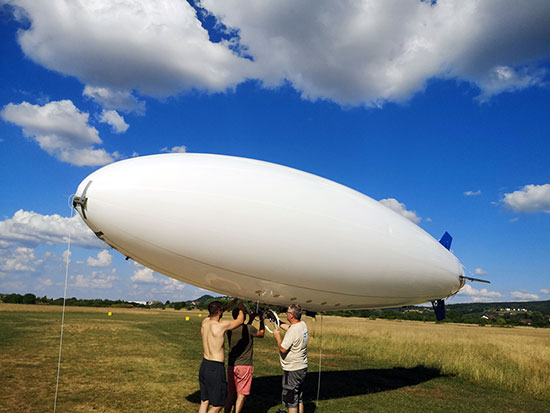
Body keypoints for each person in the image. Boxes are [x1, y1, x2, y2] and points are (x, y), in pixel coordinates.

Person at [199, 299, 245, 413]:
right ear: (220, 312)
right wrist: (241, 308)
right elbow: (240, 321)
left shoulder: (205, 322)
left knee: (205, 401)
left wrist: (232, 303)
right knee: (218, 405)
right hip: (215, 368)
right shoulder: (221, 325)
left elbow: (217, 311)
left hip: (204, 365)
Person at [224, 309, 265, 413]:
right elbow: (261, 334)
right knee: (241, 395)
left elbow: (244, 331)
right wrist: (262, 320)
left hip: (231, 365)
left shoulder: (229, 329)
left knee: (231, 394)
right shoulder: (249, 328)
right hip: (245, 366)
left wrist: (250, 319)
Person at [273, 304, 308, 413]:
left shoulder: (293, 331)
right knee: (298, 397)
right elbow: (289, 328)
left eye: (287, 312)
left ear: (291, 315)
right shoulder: (302, 325)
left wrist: (277, 338)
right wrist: (276, 320)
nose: (286, 314)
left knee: (291, 399)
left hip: (292, 369)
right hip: (301, 367)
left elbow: (283, 349)